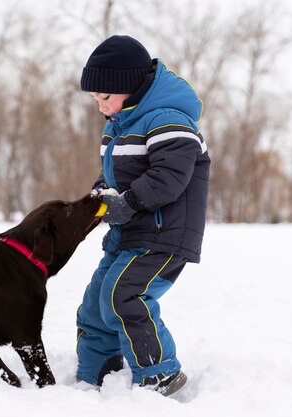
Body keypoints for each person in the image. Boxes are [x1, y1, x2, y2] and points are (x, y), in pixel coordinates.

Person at [75, 35, 210, 397]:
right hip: (130, 234)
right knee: (95, 303)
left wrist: (128, 203)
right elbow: (117, 174)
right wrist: (101, 191)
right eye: (95, 100)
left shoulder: (169, 119)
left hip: (165, 234)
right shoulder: (119, 124)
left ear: (129, 87)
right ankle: (97, 373)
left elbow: (169, 177)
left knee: (124, 296)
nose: (102, 107)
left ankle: (159, 374)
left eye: (105, 98)